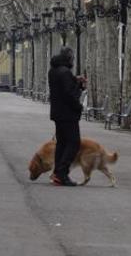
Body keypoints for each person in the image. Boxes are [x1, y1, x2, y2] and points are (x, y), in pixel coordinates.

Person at [48, 47, 85, 187]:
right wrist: (79, 104)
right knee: (74, 143)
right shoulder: (65, 73)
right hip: (68, 114)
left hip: (57, 113)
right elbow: (70, 94)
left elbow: (62, 87)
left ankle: (57, 173)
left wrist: (75, 80)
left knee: (62, 143)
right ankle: (62, 173)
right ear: (69, 58)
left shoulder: (53, 71)